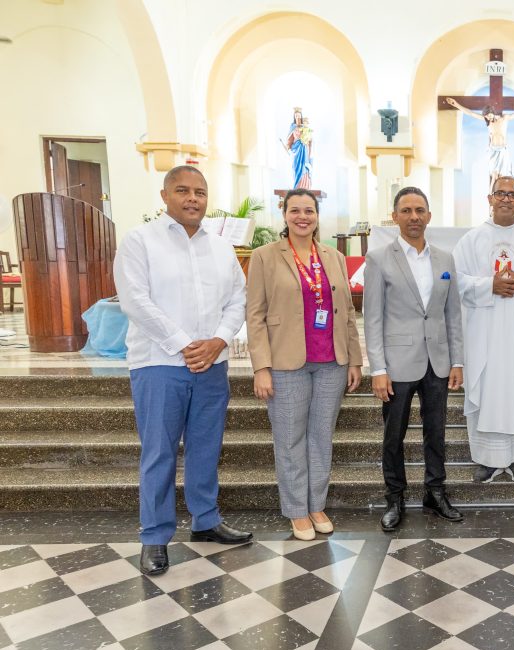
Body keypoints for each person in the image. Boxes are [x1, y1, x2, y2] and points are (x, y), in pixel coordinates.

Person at [114, 166, 252, 576]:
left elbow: (237, 300)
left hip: (212, 363)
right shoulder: (140, 242)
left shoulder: (221, 248)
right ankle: (155, 537)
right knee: (159, 451)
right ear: (165, 195)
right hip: (158, 364)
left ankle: (205, 520)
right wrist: (184, 343)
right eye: (183, 190)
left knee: (206, 446)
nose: (192, 198)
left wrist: (218, 341)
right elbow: (135, 300)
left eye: (200, 192)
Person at [246, 189, 362, 541]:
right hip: (285, 362)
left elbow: (348, 313)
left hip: (331, 361)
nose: (302, 216)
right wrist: (260, 367)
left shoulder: (333, 257)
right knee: (290, 439)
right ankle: (296, 511)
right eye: (295, 210)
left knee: (321, 438)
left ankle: (316, 504)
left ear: (317, 216)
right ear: (283, 214)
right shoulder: (265, 257)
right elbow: (255, 315)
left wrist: (355, 360)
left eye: (309, 210)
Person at [363, 187, 465, 531]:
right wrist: (377, 368)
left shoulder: (445, 259)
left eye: (420, 210)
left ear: (429, 216)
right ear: (395, 217)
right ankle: (395, 496)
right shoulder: (379, 258)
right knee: (395, 435)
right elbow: (372, 317)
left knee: (436, 431)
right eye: (406, 211)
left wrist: (457, 360)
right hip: (397, 363)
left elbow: (453, 314)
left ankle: (435, 491)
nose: (414, 217)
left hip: (437, 360)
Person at [453, 176, 514, 485]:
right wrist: (489, 285)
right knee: (489, 385)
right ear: (489, 198)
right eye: (500, 193)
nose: (506, 199)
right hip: (485, 330)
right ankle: (486, 458)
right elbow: (457, 280)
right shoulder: (472, 239)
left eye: (512, 194)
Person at [445, 96, 514, 183]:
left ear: (492, 112)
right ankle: (491, 198)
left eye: (489, 115)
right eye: (486, 117)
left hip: (502, 149)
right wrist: (456, 104)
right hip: (492, 150)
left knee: (501, 176)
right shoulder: (488, 121)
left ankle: (499, 197)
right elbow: (470, 113)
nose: (488, 118)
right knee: (494, 175)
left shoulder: (504, 118)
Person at [282, 108, 313, 190]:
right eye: (296, 116)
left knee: (304, 166)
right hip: (296, 150)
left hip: (303, 149)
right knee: (296, 167)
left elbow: (310, 140)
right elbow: (289, 139)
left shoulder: (305, 127)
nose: (298, 117)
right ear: (294, 117)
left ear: (301, 117)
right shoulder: (293, 127)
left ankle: (304, 186)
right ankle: (297, 186)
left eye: (299, 115)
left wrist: (307, 140)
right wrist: (287, 146)